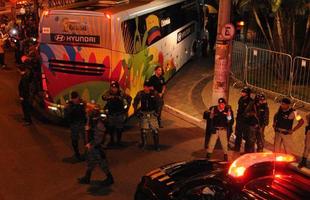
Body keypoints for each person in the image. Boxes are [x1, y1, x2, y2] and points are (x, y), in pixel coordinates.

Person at [78, 105, 114, 185]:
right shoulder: (93, 121)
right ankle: (87, 177)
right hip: (93, 147)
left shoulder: (99, 124)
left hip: (98, 147)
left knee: (102, 163)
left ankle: (110, 178)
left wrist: (90, 144)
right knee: (90, 161)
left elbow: (99, 139)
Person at [133, 80, 161, 151]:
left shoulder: (154, 93)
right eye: (146, 86)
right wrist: (136, 111)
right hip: (144, 113)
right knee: (143, 131)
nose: (148, 88)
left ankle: (157, 146)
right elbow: (135, 102)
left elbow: (159, 103)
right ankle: (144, 144)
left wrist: (158, 113)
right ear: (144, 86)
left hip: (152, 113)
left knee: (155, 131)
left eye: (149, 86)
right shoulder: (140, 93)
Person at [102, 81, 130, 147]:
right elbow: (103, 97)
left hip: (119, 114)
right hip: (111, 114)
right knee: (111, 128)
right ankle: (111, 141)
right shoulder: (108, 92)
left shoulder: (121, 92)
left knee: (119, 129)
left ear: (117, 88)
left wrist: (120, 99)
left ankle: (118, 141)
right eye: (112, 87)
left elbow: (127, 98)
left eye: (115, 88)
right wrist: (110, 97)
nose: (113, 89)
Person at [64, 91, 87, 161]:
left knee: (86, 138)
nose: (75, 100)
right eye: (73, 98)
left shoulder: (82, 103)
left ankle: (87, 153)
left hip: (82, 123)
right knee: (74, 139)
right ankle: (77, 154)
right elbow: (66, 115)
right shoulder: (69, 105)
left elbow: (86, 112)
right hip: (74, 124)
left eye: (76, 98)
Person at [234, 87, 253, 152]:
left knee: (247, 137)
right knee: (238, 135)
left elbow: (251, 112)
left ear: (247, 93)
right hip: (239, 120)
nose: (242, 93)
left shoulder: (250, 102)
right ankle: (236, 149)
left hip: (246, 122)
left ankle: (246, 151)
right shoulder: (241, 99)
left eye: (243, 92)